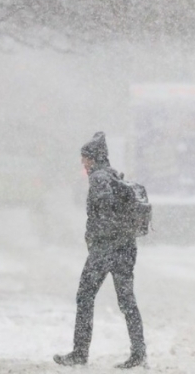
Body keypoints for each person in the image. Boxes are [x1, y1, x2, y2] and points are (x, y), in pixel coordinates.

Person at [54, 132, 147, 369]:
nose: (82, 163)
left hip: (106, 249)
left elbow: (103, 213)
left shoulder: (99, 179)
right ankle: (139, 352)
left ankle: (80, 352)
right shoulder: (115, 175)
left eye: (85, 158)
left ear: (93, 158)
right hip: (125, 247)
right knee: (127, 301)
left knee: (85, 296)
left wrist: (96, 239)